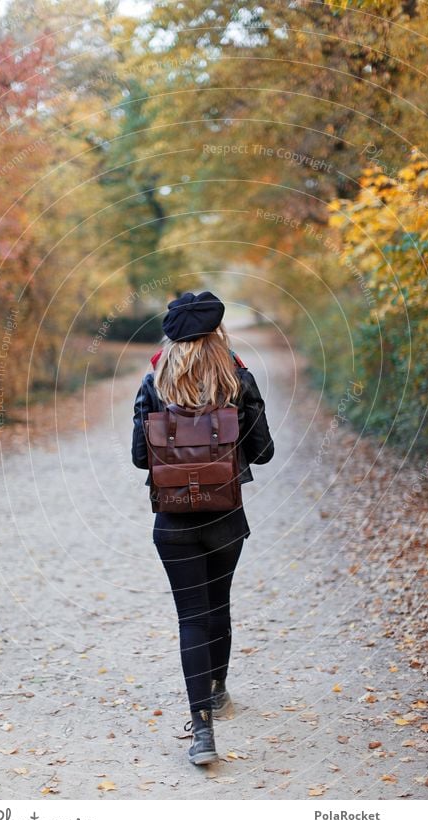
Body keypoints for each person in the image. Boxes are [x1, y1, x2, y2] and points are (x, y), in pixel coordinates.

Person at [131, 291, 274, 765]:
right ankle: (217, 692)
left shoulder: (154, 384)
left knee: (191, 618)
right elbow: (264, 450)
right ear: (218, 337)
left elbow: (139, 457)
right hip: (225, 518)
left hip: (172, 522)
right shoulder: (237, 381)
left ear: (171, 341)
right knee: (218, 606)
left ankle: (203, 734)